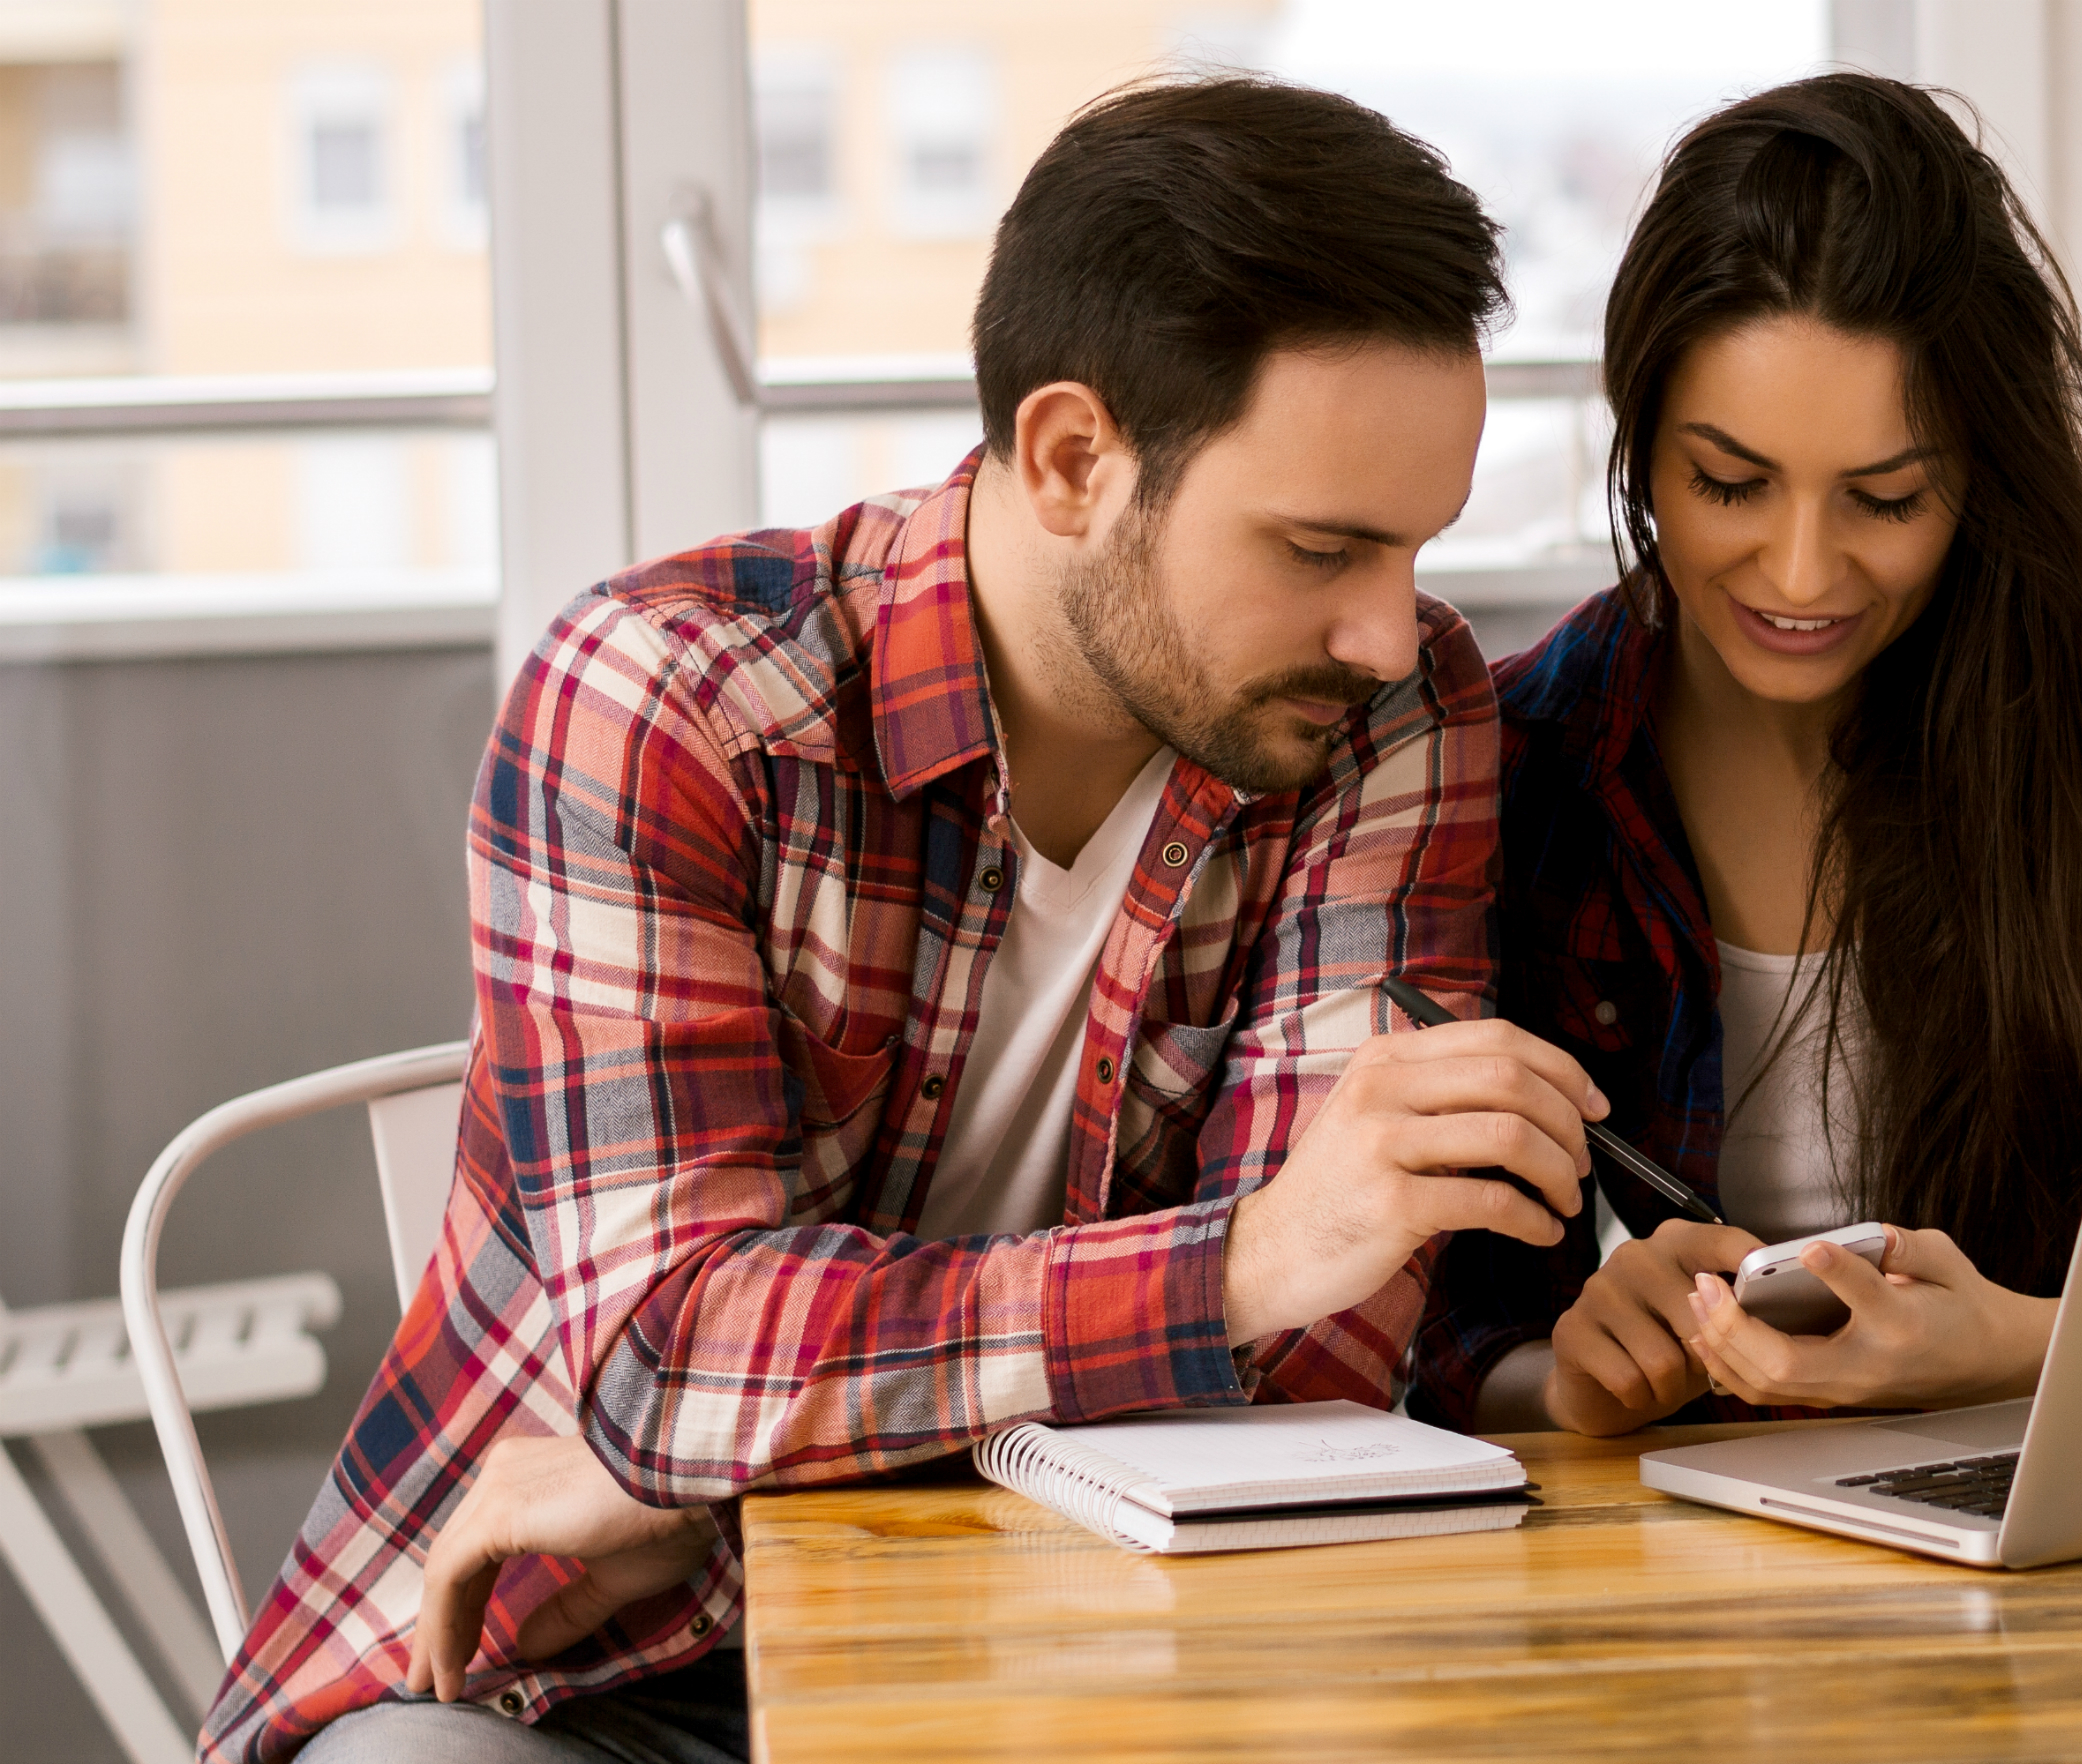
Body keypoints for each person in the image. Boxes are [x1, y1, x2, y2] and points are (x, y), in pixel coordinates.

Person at [212, 79, 1608, 1763]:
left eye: (1416, 547)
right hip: (591, 1674)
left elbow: (1313, 1377)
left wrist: (726, 1446)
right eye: (1322, 546)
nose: (1392, 627)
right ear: (1074, 457)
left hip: (1095, 1645)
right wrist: (1231, 1259)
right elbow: (673, 1357)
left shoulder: (1383, 711)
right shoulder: (669, 708)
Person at [1412, 74, 2082, 1439]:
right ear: (1641, 447)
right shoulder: (1529, 765)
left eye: (1888, 499)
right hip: (1701, 1546)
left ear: (1981, 469)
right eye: (1728, 484)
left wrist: (2018, 1346)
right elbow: (1445, 1329)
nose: (1799, 573)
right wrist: (1568, 1372)